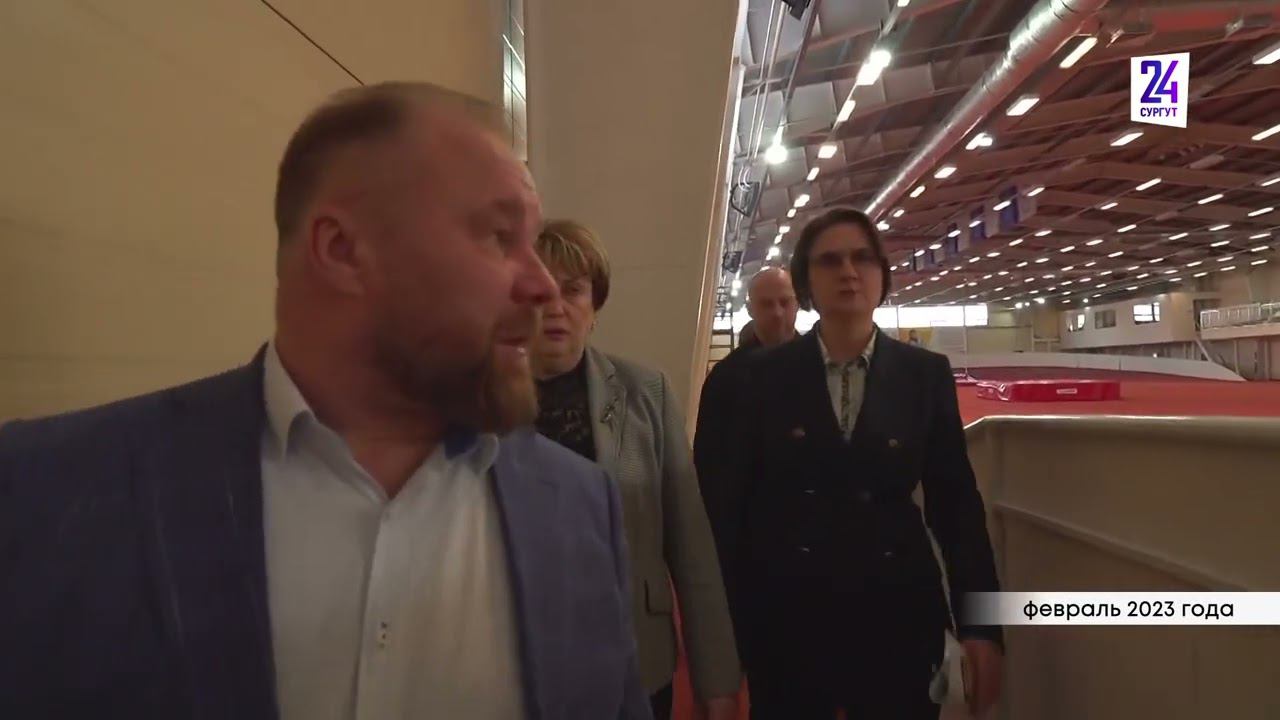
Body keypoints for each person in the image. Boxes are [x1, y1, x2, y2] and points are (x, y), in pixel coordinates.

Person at [0, 83, 650, 719]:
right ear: (342, 251)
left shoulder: (580, 506)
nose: (542, 286)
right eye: (499, 237)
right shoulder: (48, 492)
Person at [718, 207, 1003, 719]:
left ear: (882, 275)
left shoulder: (925, 374)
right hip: (787, 623)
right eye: (830, 261)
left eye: (862, 258)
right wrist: (727, 637)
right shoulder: (760, 378)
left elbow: (958, 508)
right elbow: (732, 513)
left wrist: (983, 627)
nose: (848, 272)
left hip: (899, 619)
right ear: (807, 282)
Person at [529, 220, 740, 720]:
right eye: (539, 291)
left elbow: (691, 548)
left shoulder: (647, 392)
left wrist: (716, 681)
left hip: (635, 659)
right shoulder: (476, 402)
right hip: (522, 661)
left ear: (594, 306)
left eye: (573, 290)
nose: (556, 306)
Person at [693, 267, 797, 590]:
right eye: (767, 304)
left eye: (785, 302)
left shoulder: (824, 369)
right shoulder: (725, 379)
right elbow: (709, 468)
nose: (777, 313)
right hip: (748, 544)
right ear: (750, 309)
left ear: (797, 304)